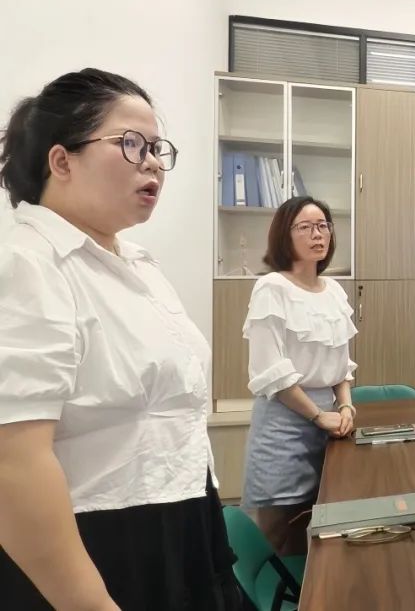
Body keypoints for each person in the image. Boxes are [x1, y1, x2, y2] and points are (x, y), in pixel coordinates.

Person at [0, 69, 240, 610]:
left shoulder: (137, 264)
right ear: (62, 161)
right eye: (131, 144)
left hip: (186, 520)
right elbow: (12, 464)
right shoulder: (29, 264)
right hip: (102, 548)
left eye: (156, 148)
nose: (152, 162)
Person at [242, 196, 358, 556]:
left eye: (323, 225)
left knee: (326, 528)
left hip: (330, 422)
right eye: (305, 227)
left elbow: (341, 364)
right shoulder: (272, 287)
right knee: (282, 534)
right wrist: (318, 414)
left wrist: (346, 407)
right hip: (286, 422)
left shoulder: (334, 290)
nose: (317, 234)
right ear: (285, 235)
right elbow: (271, 372)